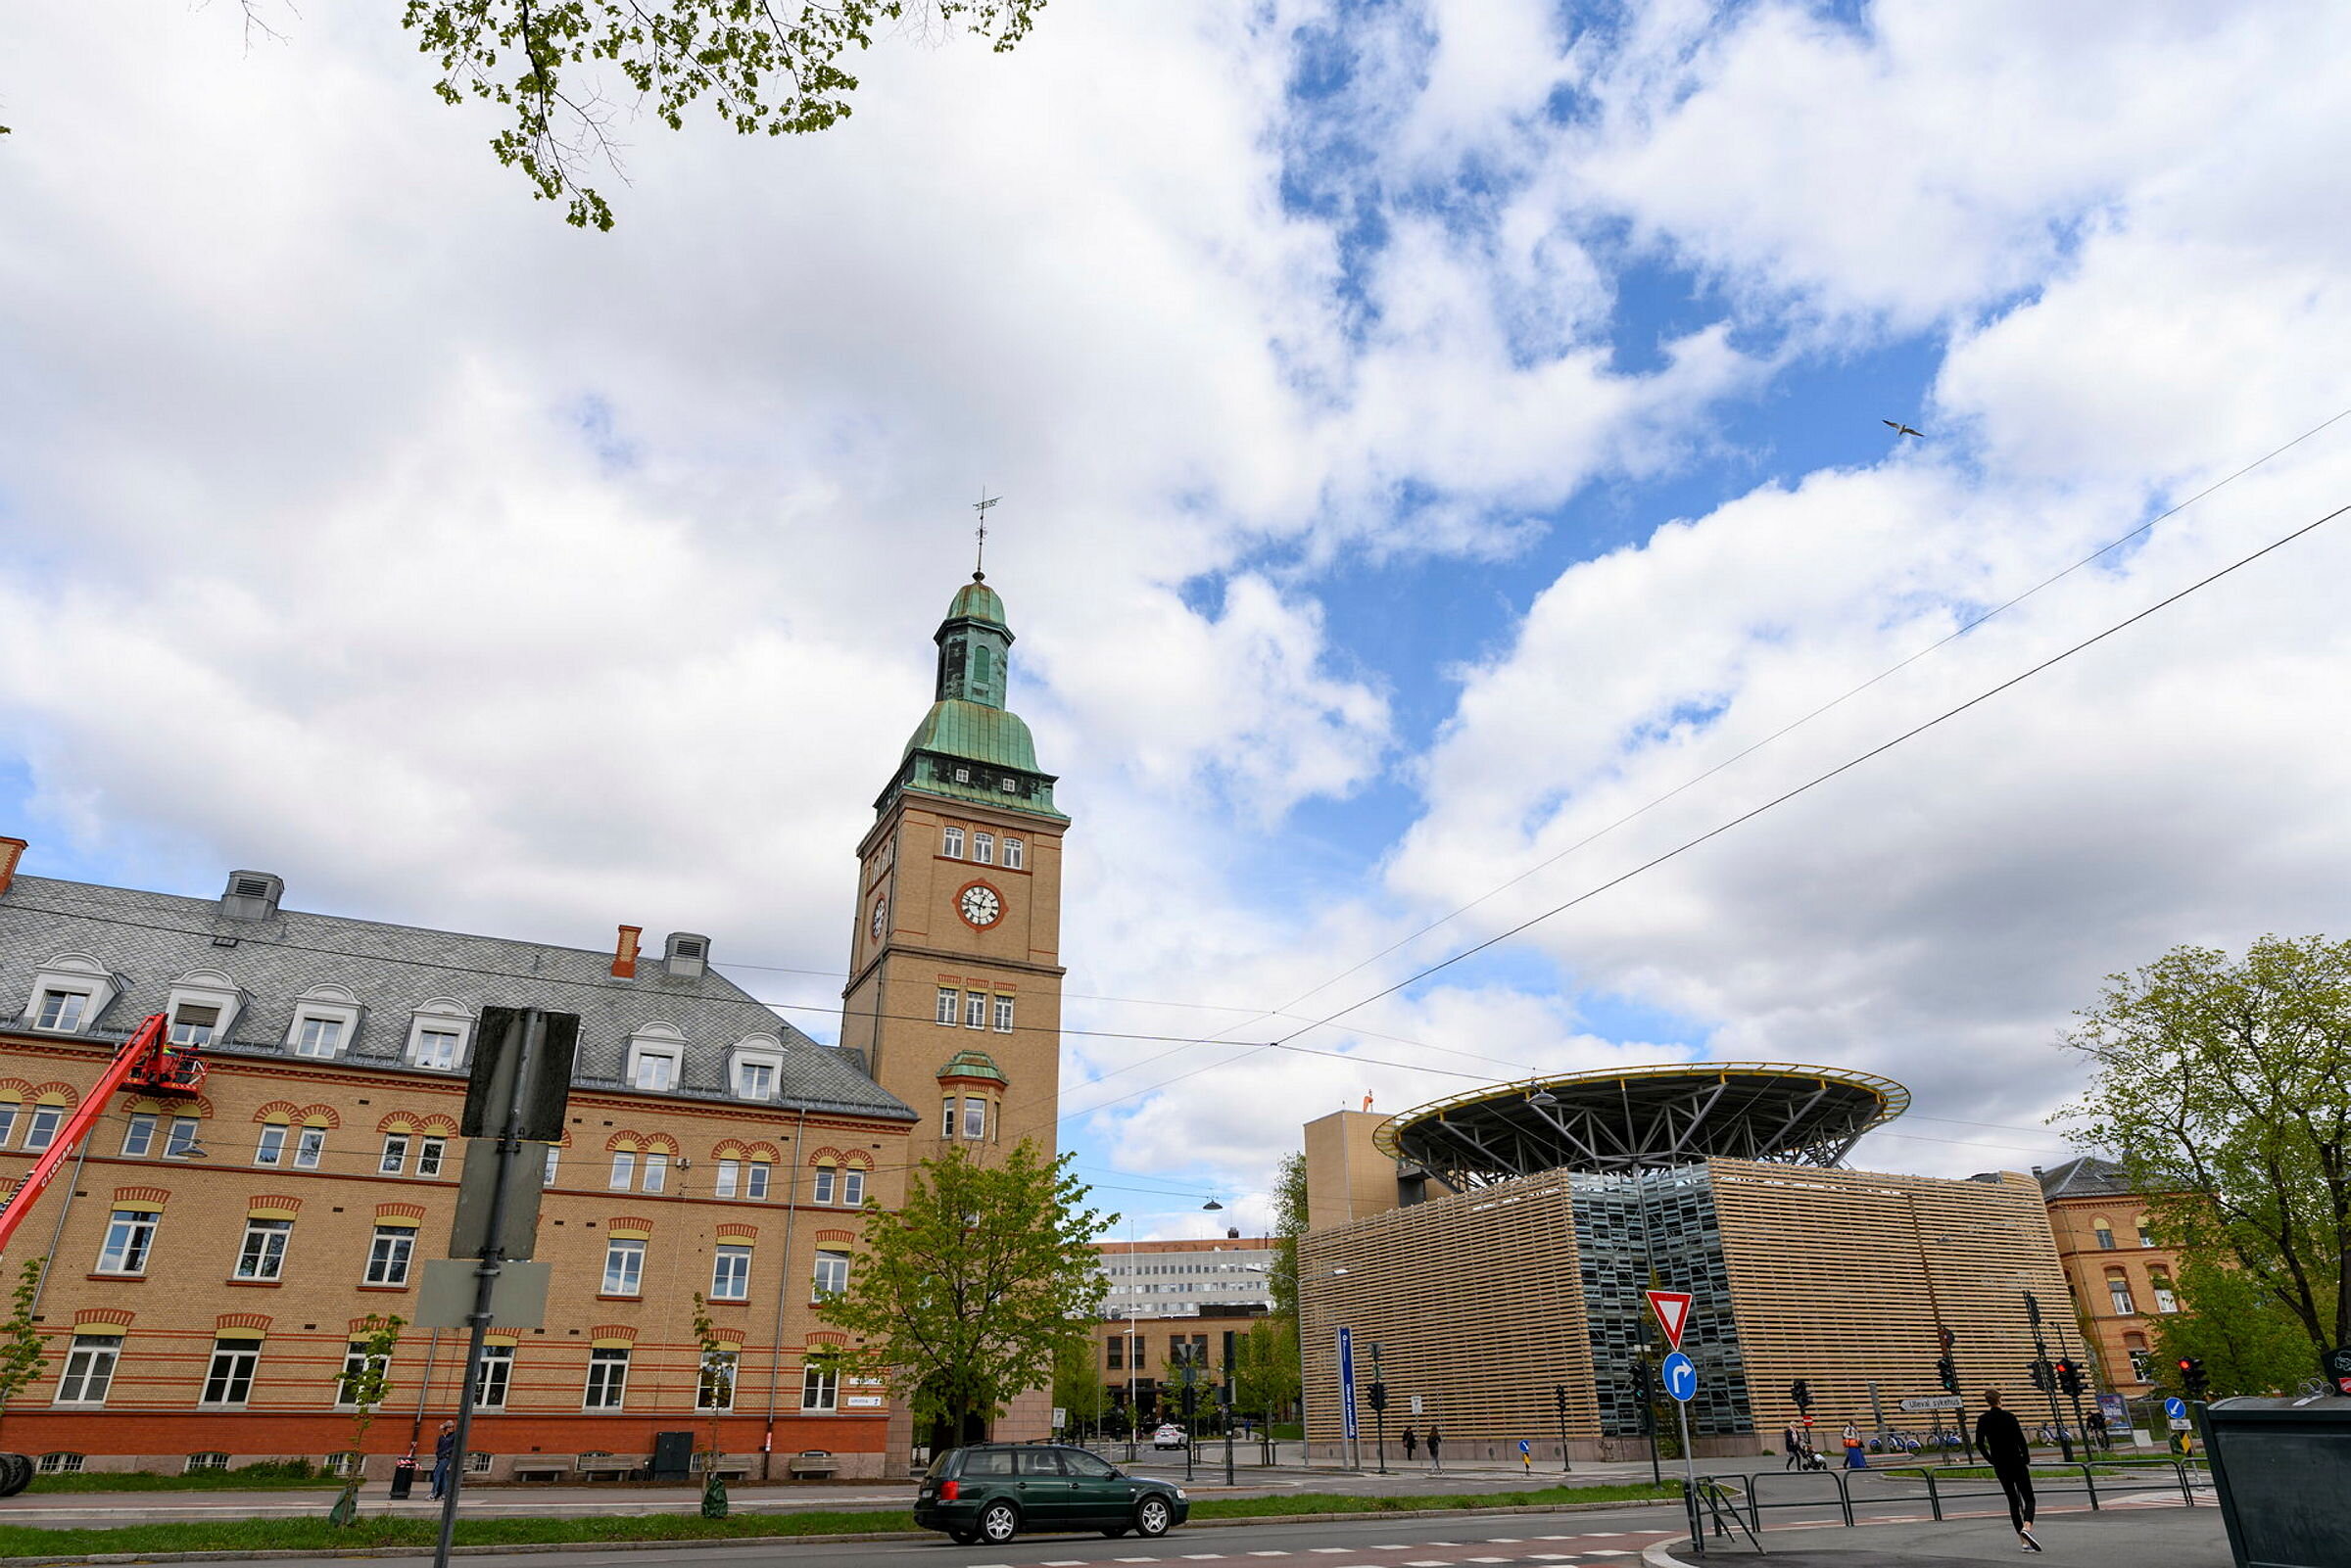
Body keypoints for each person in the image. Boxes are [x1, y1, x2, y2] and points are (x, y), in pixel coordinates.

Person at [1974, 1390, 2041, 1553]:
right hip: (2016, 1461)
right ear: (2000, 1400)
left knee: (2013, 1501)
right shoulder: (2010, 1417)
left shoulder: (1983, 1420)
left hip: (2000, 1464)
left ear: (1987, 1401)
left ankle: (2023, 1542)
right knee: (2029, 1498)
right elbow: (2020, 1439)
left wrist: (1990, 1459)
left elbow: (1979, 1443)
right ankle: (2027, 1526)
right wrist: (2026, 1457)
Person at [428, 1420, 457, 1500]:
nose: (451, 1428)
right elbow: (439, 1447)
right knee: (443, 1475)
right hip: (440, 1458)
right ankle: (444, 1493)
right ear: (446, 1428)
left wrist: (446, 1453)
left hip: (446, 1458)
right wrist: (438, 1454)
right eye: (449, 1427)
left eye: (452, 1427)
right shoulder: (441, 1437)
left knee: (436, 1474)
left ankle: (433, 1493)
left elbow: (454, 1447)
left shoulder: (454, 1436)